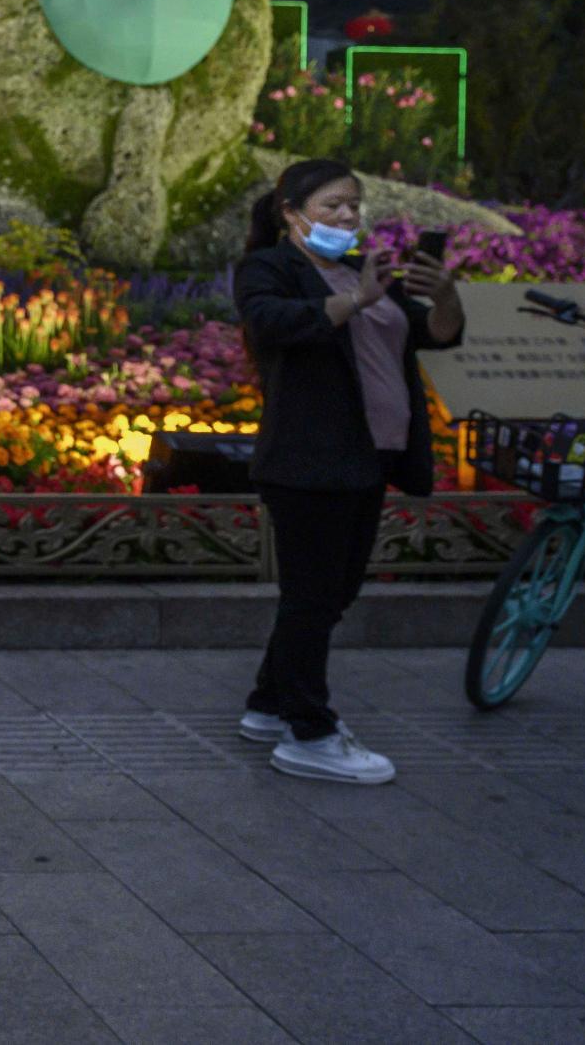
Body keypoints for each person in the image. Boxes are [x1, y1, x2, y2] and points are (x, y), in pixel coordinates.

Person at [233, 156, 463, 784]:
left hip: (370, 457)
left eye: (354, 206)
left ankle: (269, 703)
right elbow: (273, 325)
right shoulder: (271, 268)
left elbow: (434, 335)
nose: (347, 216)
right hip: (309, 458)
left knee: (334, 594)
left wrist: (442, 295)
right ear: (291, 213)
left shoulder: (362, 273)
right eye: (333, 204)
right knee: (312, 597)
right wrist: (353, 301)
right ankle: (311, 732)